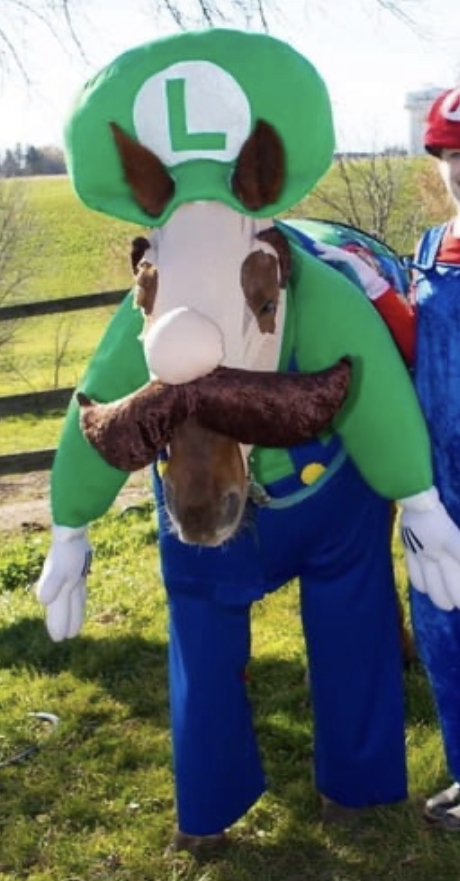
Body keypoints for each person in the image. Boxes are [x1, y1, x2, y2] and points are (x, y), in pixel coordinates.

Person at [317, 84, 460, 831]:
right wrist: (372, 289)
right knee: (442, 628)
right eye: (452, 155)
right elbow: (416, 346)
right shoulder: (431, 252)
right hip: (435, 479)